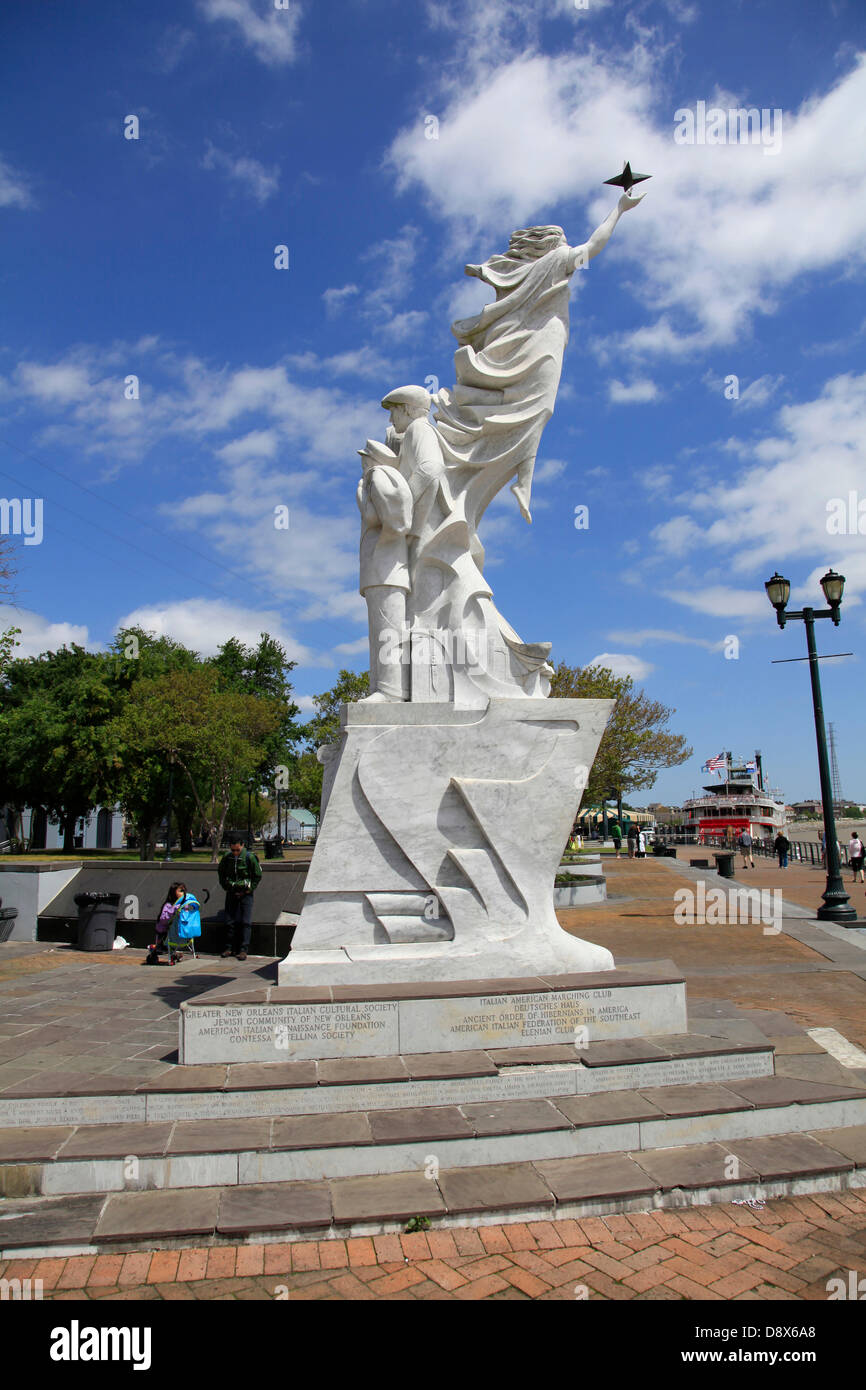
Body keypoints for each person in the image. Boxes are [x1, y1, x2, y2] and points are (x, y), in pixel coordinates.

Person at [218, 837, 262, 961]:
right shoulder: (227, 857)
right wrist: (226, 886)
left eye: (237, 850)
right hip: (231, 892)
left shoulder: (249, 857)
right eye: (233, 850)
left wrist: (249, 889)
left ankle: (243, 949)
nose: (235, 852)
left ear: (242, 845)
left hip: (246, 893)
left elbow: (257, 875)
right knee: (229, 921)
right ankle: (228, 948)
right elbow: (221, 873)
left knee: (245, 921)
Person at [150, 882, 185, 959]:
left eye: (184, 891)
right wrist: (173, 911)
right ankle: (158, 949)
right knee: (166, 938)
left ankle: (172, 951)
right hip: (164, 930)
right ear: (173, 893)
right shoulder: (168, 905)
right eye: (181, 891)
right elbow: (163, 919)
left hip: (177, 930)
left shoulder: (183, 905)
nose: (183, 893)